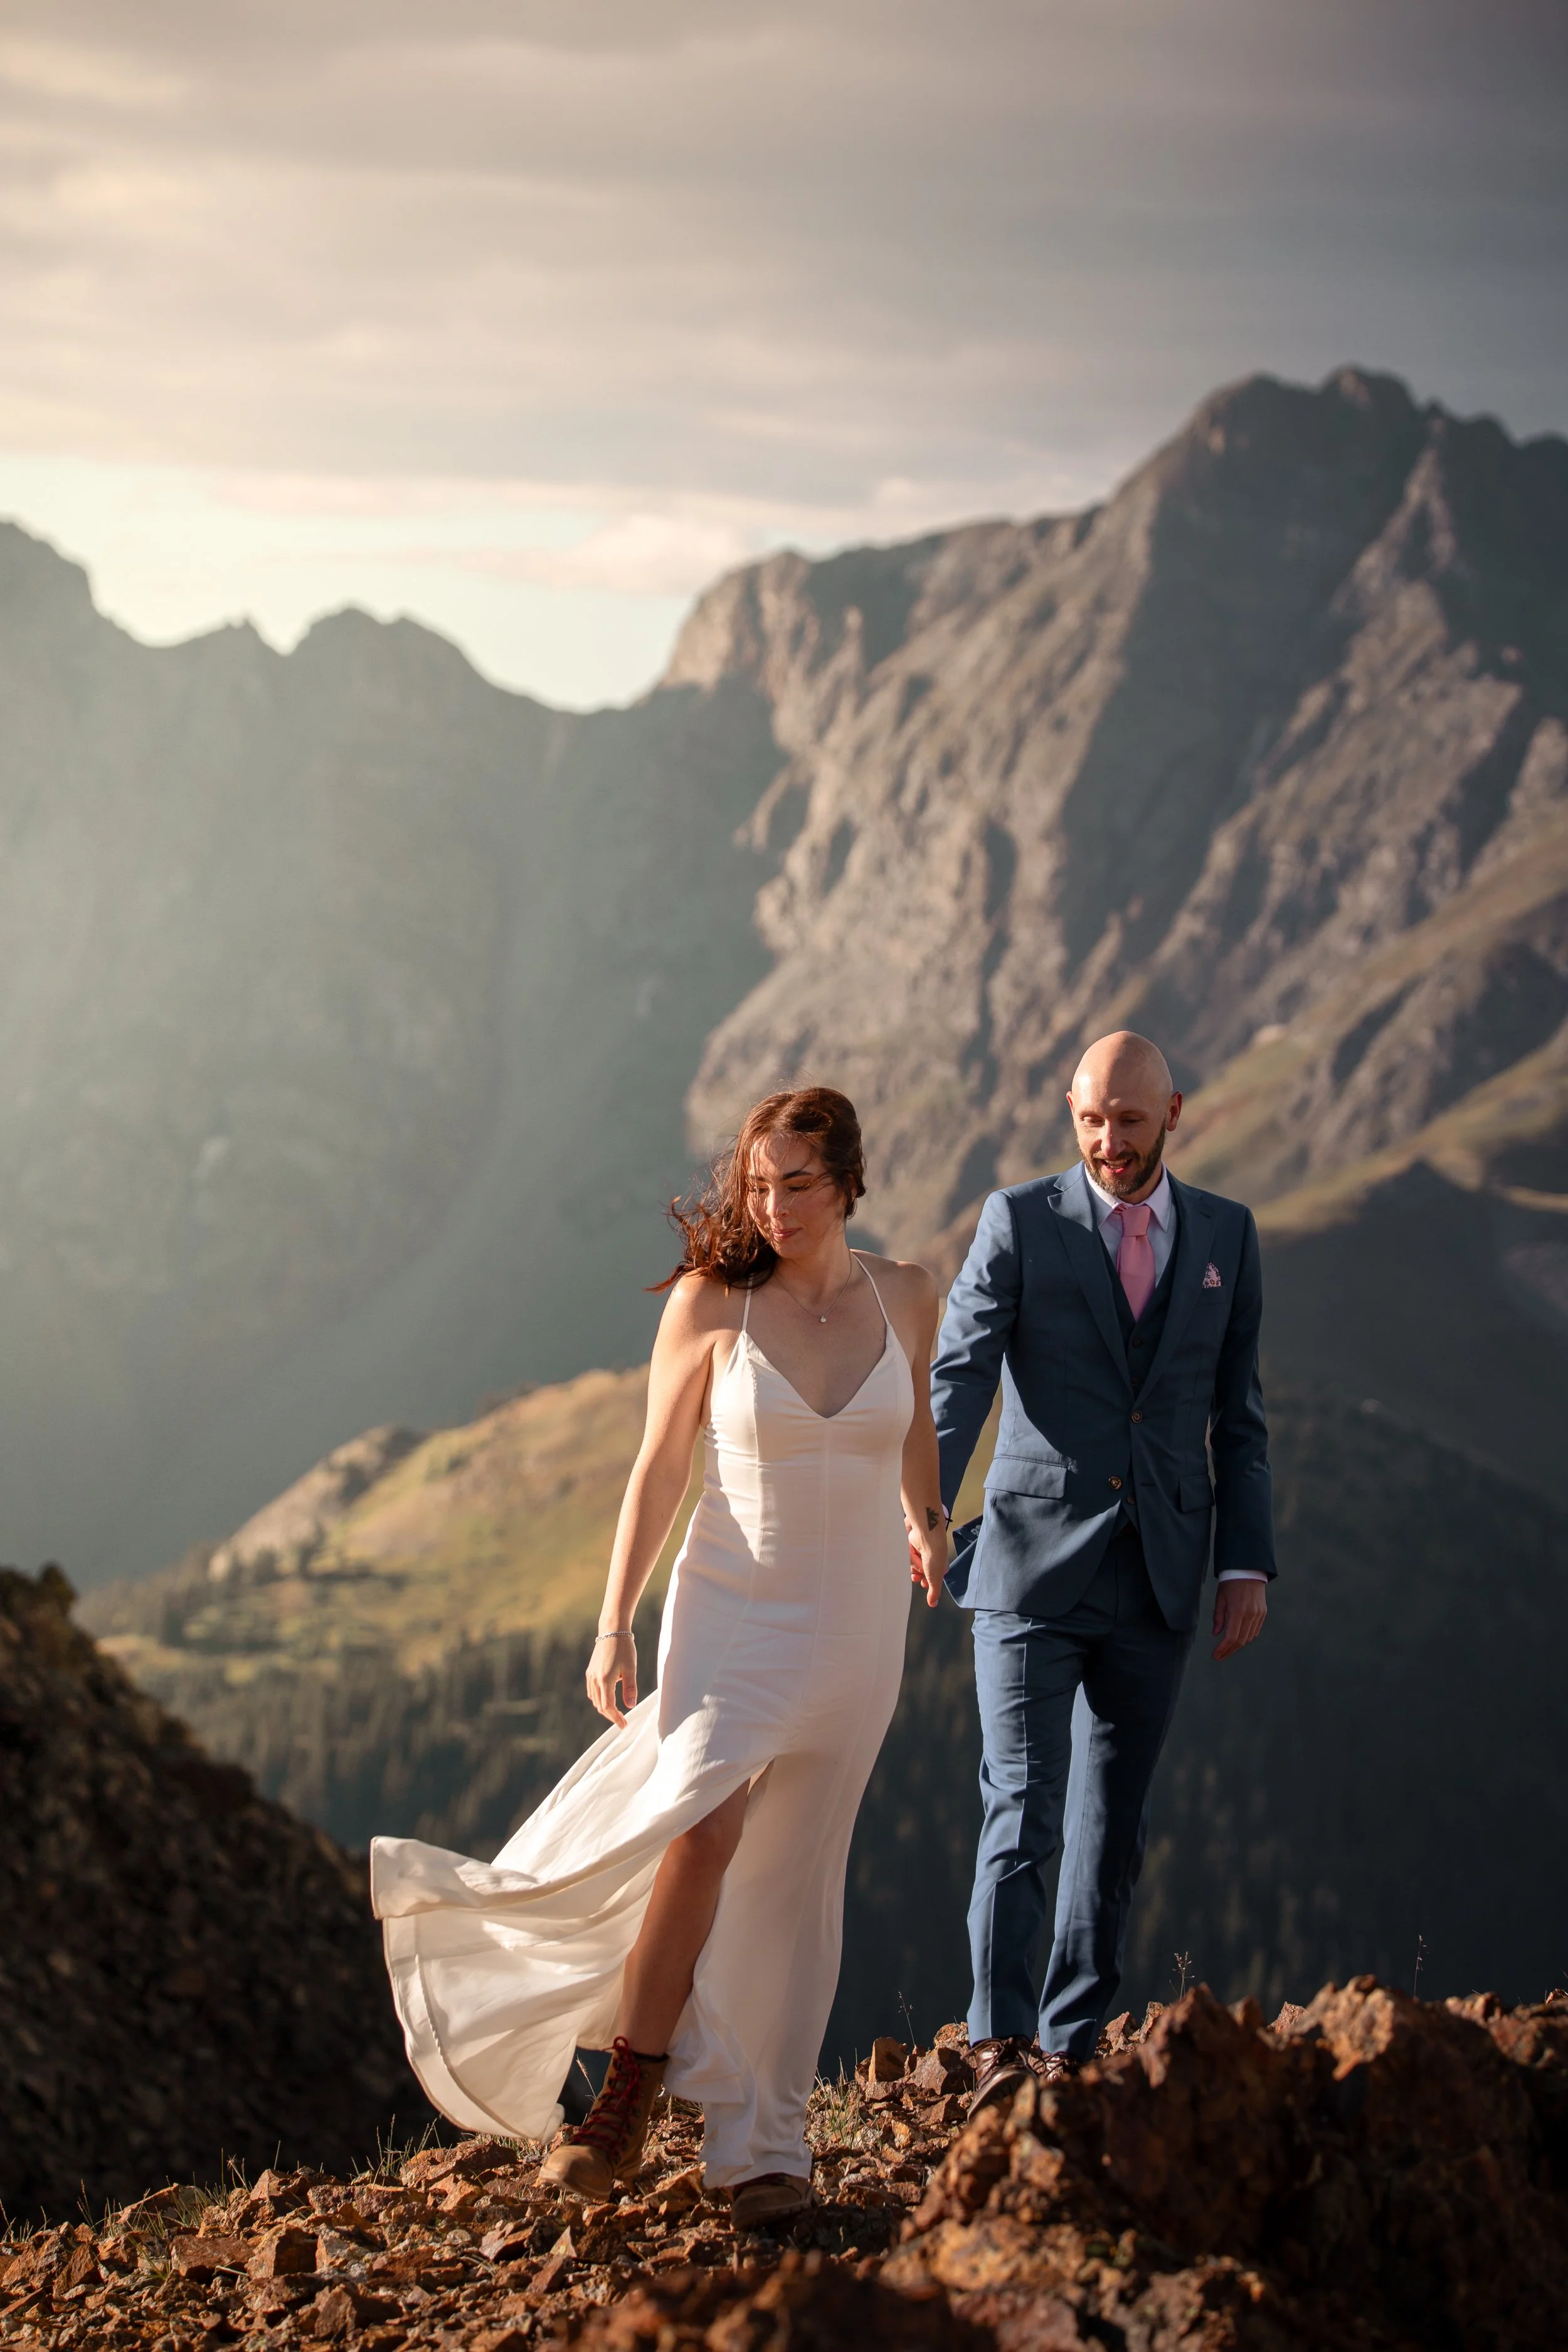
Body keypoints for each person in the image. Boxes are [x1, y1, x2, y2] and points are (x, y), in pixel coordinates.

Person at [371, 1088, 945, 2229]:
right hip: (733, 1611)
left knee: (795, 1887)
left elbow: (916, 1419)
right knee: (702, 1827)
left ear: (849, 1181)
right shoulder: (711, 1306)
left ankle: (762, 2145)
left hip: (863, 1629)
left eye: (798, 1183)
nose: (774, 1206)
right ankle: (626, 2093)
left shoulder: (910, 1294)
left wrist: (927, 1518)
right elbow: (656, 1470)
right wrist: (614, 1619)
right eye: (758, 1184)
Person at [928, 1031, 1274, 2116]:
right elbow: (961, 1374)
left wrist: (1245, 1561)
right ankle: (998, 2046)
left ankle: (1074, 2044)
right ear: (1069, 1111)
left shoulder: (1227, 1234)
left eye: (1129, 1119)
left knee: (1112, 1826)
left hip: (1163, 1571)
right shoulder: (1017, 1221)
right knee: (1022, 1805)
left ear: (1175, 1109)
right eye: (1090, 1119)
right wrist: (924, 1508)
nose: (1109, 1141)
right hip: (1028, 1568)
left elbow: (1240, 1418)